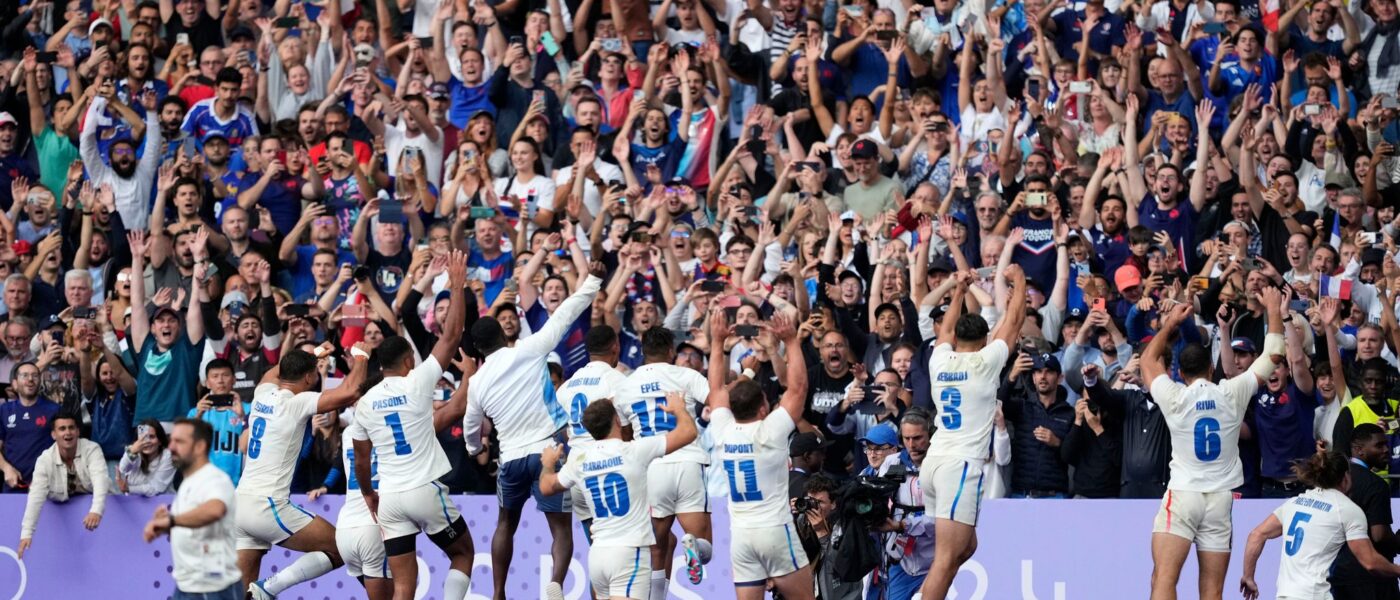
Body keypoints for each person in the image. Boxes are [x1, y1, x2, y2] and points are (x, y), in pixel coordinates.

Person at [462, 260, 605, 600]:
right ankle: (555, 583)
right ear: (502, 333)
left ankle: (498, 593)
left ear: (479, 350)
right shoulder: (529, 349)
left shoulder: (477, 382)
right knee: (560, 528)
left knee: (504, 525)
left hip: (510, 459)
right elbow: (565, 315)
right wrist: (592, 281)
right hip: (549, 453)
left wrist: (474, 449)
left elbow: (470, 426)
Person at [1142, 286, 1285, 600]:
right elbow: (1274, 355)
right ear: (1211, 369)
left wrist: (1170, 325)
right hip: (1220, 500)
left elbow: (1148, 362)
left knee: (1164, 581)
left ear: (1180, 373)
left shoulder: (1174, 395)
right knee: (1212, 591)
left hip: (1183, 494)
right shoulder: (1231, 392)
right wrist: (1274, 309)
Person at [350, 250, 475, 600]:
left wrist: (369, 495)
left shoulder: (366, 403)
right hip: (423, 488)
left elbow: (361, 460)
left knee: (404, 584)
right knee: (463, 553)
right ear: (408, 360)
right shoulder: (418, 381)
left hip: (388, 496)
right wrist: (458, 284)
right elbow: (450, 338)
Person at [919, 266, 1028, 600]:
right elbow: (1014, 321)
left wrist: (959, 289)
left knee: (965, 550)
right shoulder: (985, 362)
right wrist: (1019, 282)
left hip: (934, 463)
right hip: (960, 467)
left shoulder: (939, 359)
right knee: (947, 559)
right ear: (984, 340)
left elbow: (946, 328)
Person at [238, 345, 370, 599]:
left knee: (243, 594)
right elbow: (350, 391)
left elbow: (273, 373)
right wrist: (361, 357)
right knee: (342, 549)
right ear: (309, 378)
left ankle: (259, 592)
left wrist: (314, 353)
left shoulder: (263, 393)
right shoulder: (298, 402)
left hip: (240, 505)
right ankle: (269, 588)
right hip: (267, 505)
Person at [538, 392, 698, 600]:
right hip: (629, 553)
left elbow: (546, 486)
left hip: (598, 555)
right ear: (617, 420)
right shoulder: (634, 451)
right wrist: (678, 408)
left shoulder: (579, 461)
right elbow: (688, 432)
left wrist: (548, 463)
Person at [707, 309, 813, 600]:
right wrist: (790, 341)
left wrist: (717, 344)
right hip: (774, 531)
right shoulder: (770, 431)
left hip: (741, 535)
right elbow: (799, 388)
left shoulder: (722, 430)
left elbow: (715, 388)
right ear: (764, 408)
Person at [614, 325, 715, 594]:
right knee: (704, 545)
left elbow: (624, 433)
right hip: (688, 462)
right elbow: (716, 400)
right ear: (671, 351)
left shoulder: (626, 385)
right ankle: (694, 547)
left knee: (657, 547)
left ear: (643, 352)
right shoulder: (686, 375)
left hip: (651, 467)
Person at [1239, 451, 1400, 600]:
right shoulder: (1347, 509)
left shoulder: (1294, 503)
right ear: (1345, 477)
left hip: (1285, 594)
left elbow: (1256, 535)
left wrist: (1248, 576)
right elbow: (1370, 562)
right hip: (1315, 595)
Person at [141, 418, 240, 600]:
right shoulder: (189, 481)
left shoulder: (214, 479)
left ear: (200, 446)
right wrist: (167, 526)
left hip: (213, 589)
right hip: (187, 586)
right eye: (171, 440)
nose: (171, 447)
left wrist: (172, 520)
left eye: (179, 442)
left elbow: (215, 509)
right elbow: (193, 525)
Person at [557, 325, 630, 538]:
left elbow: (563, 432)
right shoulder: (617, 380)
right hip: (608, 469)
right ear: (615, 347)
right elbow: (626, 432)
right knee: (620, 539)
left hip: (577, 471)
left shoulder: (566, 387)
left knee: (597, 540)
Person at [16, 411, 107, 558]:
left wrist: (96, 511)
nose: (68, 432)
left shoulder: (92, 449)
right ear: (53, 434)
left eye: (71, 428)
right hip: (59, 503)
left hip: (91, 503)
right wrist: (26, 533)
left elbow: (100, 480)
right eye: (62, 428)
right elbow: (36, 497)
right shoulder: (44, 459)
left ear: (78, 431)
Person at [1329, 423, 1400, 599]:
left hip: (1336, 577)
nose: (1386, 450)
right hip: (1372, 580)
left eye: (1386, 444)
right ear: (1359, 450)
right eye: (1379, 445)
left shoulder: (1333, 478)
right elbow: (1379, 535)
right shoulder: (1376, 484)